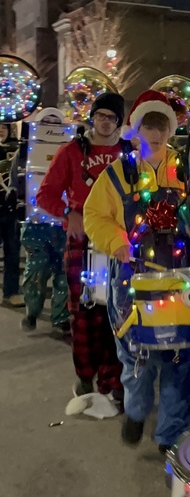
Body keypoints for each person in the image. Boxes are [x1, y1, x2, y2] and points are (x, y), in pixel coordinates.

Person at [84, 90, 190, 452]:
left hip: (182, 280)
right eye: (149, 124)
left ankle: (170, 435)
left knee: (183, 359)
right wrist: (117, 243)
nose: (156, 133)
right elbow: (95, 215)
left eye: (162, 125)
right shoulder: (116, 174)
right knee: (137, 359)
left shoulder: (188, 173)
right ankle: (136, 410)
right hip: (133, 283)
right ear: (137, 128)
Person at [37, 92, 126, 399]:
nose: (104, 122)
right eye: (100, 115)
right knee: (86, 312)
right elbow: (45, 195)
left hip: (119, 245)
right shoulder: (72, 152)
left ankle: (113, 380)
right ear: (92, 118)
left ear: (119, 122)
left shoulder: (129, 153)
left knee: (117, 312)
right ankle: (86, 374)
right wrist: (67, 213)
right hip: (83, 244)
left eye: (111, 117)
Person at [18, 109, 69, 334]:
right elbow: (18, 180)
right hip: (37, 223)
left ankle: (60, 317)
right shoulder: (26, 151)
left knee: (64, 273)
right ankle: (32, 311)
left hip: (62, 223)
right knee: (36, 274)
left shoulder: (71, 151)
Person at [0, 122, 23, 307]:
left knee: (13, 252)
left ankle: (11, 292)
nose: (1, 129)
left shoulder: (18, 149)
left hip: (10, 208)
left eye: (4, 127)